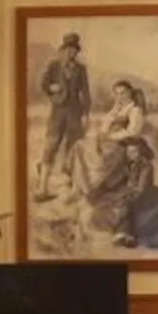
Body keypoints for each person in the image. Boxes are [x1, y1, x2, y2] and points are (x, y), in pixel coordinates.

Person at [88, 78, 158, 251]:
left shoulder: (135, 110)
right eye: (116, 93)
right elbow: (104, 127)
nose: (119, 96)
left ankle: (125, 233)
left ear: (130, 93)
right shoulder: (117, 109)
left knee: (126, 200)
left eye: (123, 93)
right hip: (116, 145)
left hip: (126, 142)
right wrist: (106, 131)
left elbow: (132, 132)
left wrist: (113, 137)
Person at [36, 32, 90, 199]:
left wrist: (86, 114)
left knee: (73, 147)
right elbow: (42, 84)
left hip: (75, 112)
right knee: (51, 145)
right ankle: (42, 188)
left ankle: (70, 186)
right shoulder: (53, 66)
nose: (71, 53)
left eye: (74, 51)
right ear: (62, 50)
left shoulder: (81, 70)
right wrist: (51, 89)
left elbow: (86, 93)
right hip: (57, 112)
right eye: (68, 50)